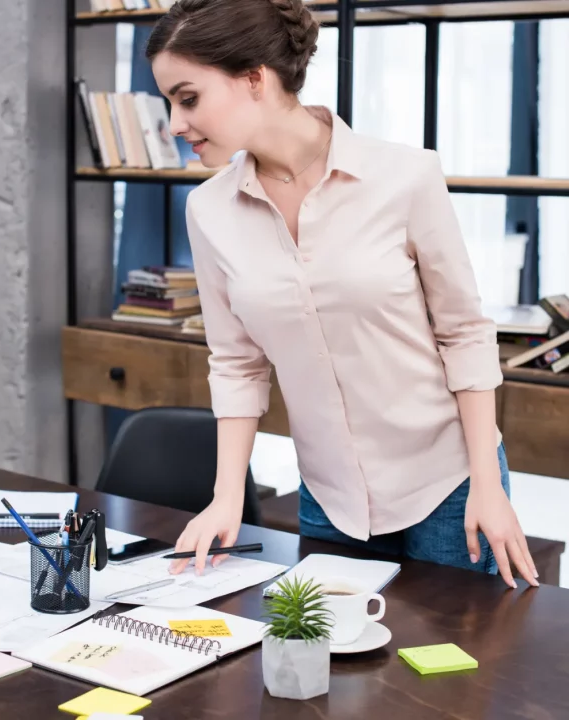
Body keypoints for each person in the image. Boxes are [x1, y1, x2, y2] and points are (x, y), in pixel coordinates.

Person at [146, 0, 538, 590]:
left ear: (255, 77)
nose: (176, 124)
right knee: (333, 671)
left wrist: (488, 482)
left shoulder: (405, 176)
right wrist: (227, 497)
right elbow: (236, 362)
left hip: (450, 486)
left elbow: (465, 334)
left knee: (456, 671)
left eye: (188, 97)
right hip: (330, 499)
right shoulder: (209, 210)